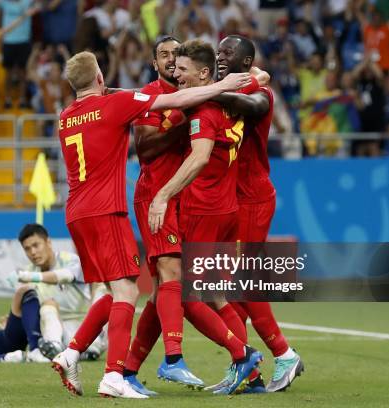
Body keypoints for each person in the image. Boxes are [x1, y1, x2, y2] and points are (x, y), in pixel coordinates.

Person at [51, 50, 252, 399]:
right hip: (105, 211)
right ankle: (115, 375)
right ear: (100, 78)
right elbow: (178, 98)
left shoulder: (64, 116)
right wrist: (225, 84)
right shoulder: (116, 104)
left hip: (75, 212)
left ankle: (71, 353)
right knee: (129, 291)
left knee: (115, 292)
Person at [123, 35, 270, 396]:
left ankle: (239, 357)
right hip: (202, 202)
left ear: (202, 72)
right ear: (154, 62)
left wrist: (164, 194)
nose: (175, 67)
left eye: (181, 63)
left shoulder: (204, 105)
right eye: (167, 58)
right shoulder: (179, 96)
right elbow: (142, 144)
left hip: (197, 205)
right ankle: (130, 369)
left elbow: (200, 155)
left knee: (183, 292)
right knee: (184, 291)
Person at [203, 34, 304, 393]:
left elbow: (259, 105)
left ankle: (284, 353)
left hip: (253, 199)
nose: (220, 57)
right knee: (231, 294)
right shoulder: (226, 87)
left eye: (227, 53)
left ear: (246, 62)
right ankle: (246, 369)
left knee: (241, 283)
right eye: (217, 52)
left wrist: (211, 92)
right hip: (234, 200)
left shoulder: (255, 93)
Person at [9, 223, 107, 361]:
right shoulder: (27, 272)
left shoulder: (70, 260)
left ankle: (92, 344)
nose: (33, 252)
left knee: (102, 290)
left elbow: (65, 276)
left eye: (36, 245)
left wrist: (30, 277)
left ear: (48, 242)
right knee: (48, 305)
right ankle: (54, 347)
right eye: (27, 249)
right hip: (56, 331)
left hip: (85, 324)